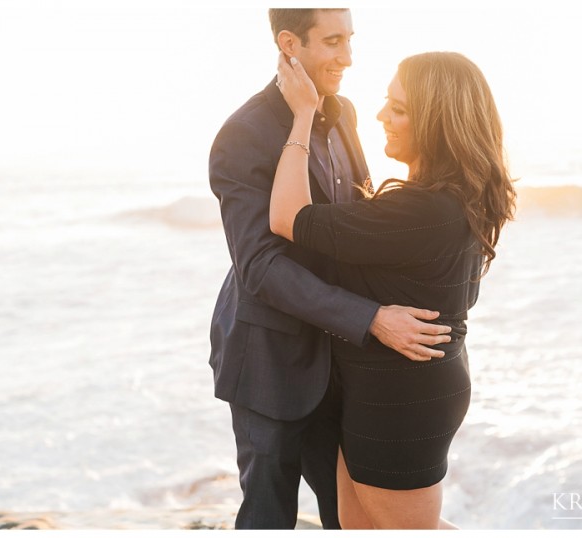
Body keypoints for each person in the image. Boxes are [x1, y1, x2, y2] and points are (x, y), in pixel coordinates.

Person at [208, 9, 452, 530]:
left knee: (344, 514)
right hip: (270, 359)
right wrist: (371, 317)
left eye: (351, 40)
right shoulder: (243, 134)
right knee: (269, 512)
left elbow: (357, 216)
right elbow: (260, 266)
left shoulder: (343, 113)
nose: (348, 57)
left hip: (345, 363)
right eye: (334, 42)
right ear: (290, 43)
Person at [270, 51, 517, 529]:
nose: (381, 115)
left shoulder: (421, 212)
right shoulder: (450, 200)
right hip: (392, 392)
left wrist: (303, 114)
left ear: (436, 122)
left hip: (402, 403)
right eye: (387, 103)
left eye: (398, 109)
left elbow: (286, 217)